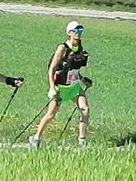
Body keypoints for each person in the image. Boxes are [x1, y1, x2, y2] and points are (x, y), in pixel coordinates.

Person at [29, 20, 92, 148]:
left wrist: (82, 80)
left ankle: (82, 142)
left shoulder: (79, 47)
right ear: (69, 33)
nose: (78, 34)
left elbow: (72, 70)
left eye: (80, 31)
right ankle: (35, 138)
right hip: (61, 87)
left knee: (85, 110)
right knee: (51, 114)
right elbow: (52, 68)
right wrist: (52, 87)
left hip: (74, 86)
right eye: (75, 31)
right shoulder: (62, 48)